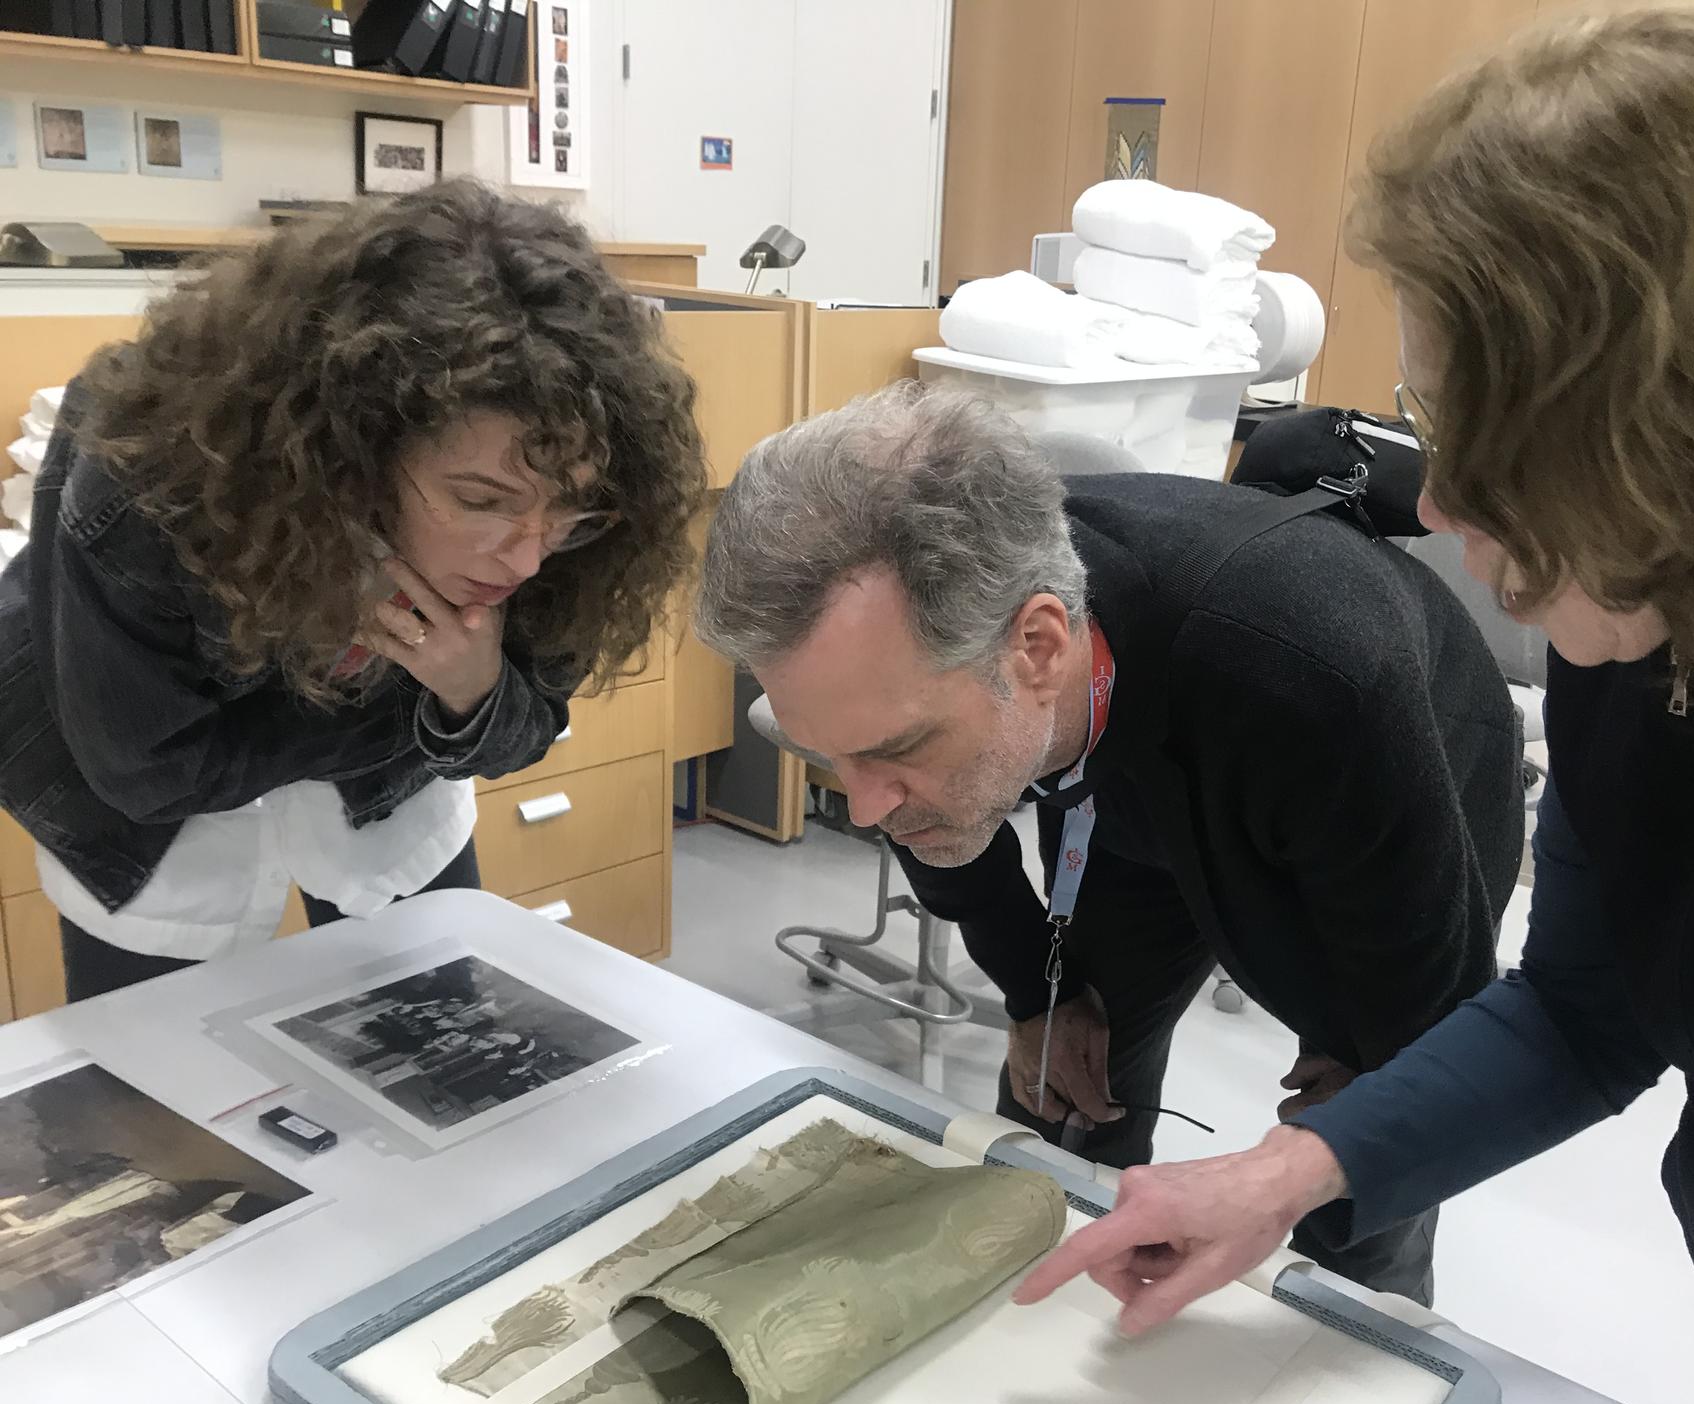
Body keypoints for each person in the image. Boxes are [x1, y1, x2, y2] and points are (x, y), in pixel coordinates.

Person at [1013, 10, 1694, 1404]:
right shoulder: (1661, 621)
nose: (1446, 493)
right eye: (1433, 412)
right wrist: (1286, 1175)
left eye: (1498, 430)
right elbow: (1586, 1013)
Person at [695, 382, 1523, 1303]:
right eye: (835, 757)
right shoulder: (940, 670)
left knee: (1374, 1152)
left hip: (1385, 776)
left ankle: (1365, 1328)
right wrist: (1029, 991)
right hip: (1125, 770)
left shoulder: (1317, 675)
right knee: (1063, 1077)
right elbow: (933, 823)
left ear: (1039, 648)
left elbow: (1441, 1039)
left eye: (894, 749)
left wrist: (1351, 1120)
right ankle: (1052, 1293)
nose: (862, 809)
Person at [0, 180, 705, 1003]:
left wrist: (474, 693)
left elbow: (523, 729)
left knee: (441, 1042)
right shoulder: (147, 484)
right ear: (353, 450)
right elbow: (150, 777)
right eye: (481, 501)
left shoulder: (575, 517)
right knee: (155, 1088)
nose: (524, 561)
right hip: (141, 830)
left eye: (568, 513)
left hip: (385, 805)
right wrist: (423, 717)